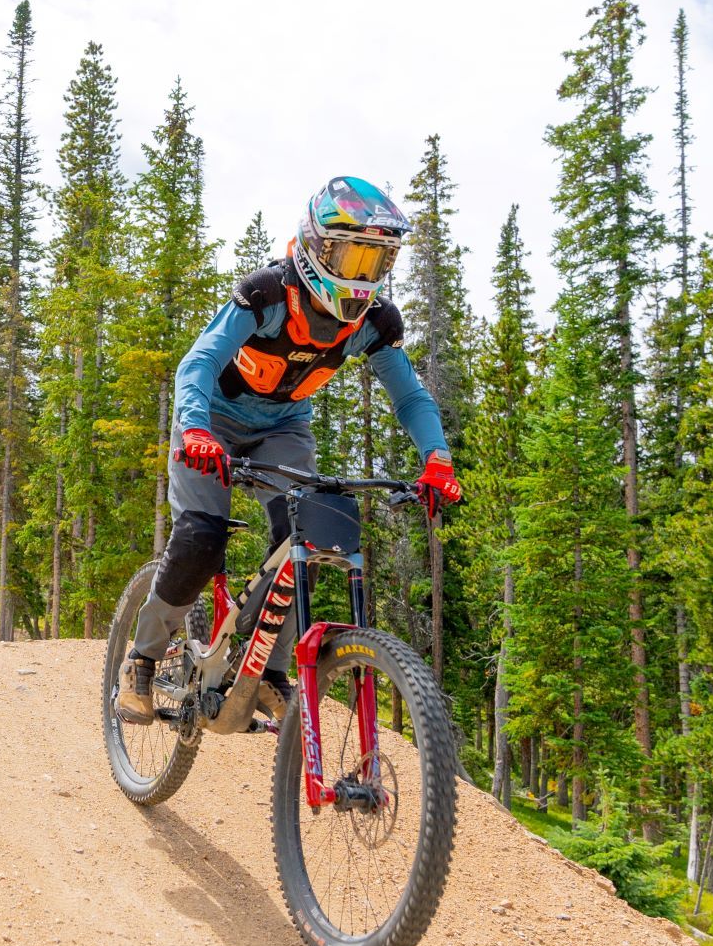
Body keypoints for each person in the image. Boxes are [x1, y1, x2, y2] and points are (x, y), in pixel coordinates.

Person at [115, 176, 463, 725]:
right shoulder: (266, 296)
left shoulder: (372, 322)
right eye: (350, 256)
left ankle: (269, 672)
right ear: (315, 247)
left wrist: (437, 459)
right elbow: (198, 365)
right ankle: (141, 661)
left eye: (375, 263)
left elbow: (411, 396)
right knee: (201, 538)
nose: (359, 276)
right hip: (210, 423)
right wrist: (197, 430)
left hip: (282, 430)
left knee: (310, 540)